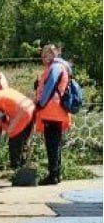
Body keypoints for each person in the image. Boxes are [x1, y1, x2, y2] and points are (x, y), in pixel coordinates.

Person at [34, 44, 72, 185]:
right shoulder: (61, 67)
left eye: (45, 55)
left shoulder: (55, 67)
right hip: (57, 110)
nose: (43, 58)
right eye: (42, 56)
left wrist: (40, 103)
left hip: (51, 109)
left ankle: (53, 175)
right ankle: (56, 173)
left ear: (53, 54)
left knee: (51, 143)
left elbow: (50, 87)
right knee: (55, 142)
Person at [0, 86, 35, 169]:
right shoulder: (5, 91)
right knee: (23, 140)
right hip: (31, 108)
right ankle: (23, 165)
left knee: (13, 136)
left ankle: (15, 166)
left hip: (22, 112)